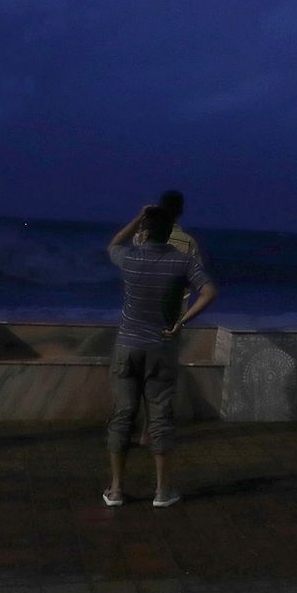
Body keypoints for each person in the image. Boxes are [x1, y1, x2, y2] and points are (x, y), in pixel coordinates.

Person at [104, 201, 217, 507]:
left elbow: (114, 242)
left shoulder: (130, 257)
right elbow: (209, 291)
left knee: (122, 415)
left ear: (144, 232)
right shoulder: (182, 262)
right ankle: (162, 492)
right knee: (160, 418)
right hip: (161, 348)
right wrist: (183, 319)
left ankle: (115, 490)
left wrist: (138, 214)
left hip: (127, 347)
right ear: (169, 233)